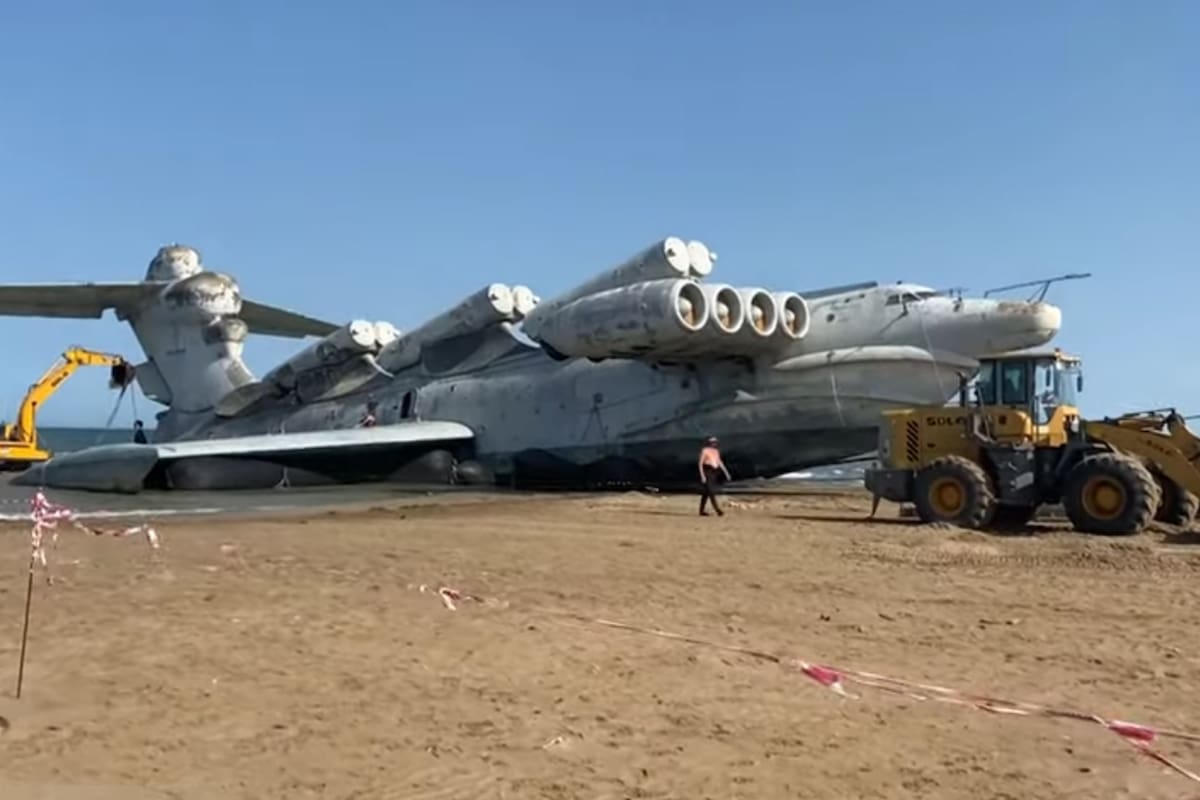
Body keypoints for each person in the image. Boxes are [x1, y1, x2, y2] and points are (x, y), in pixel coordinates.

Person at [697, 435, 730, 516]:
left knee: (706, 492)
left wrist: (726, 472)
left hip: (714, 471)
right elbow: (700, 463)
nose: (714, 444)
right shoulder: (705, 451)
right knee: (711, 491)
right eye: (712, 442)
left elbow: (719, 462)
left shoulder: (716, 451)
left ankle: (701, 511)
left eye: (715, 442)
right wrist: (702, 475)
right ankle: (717, 510)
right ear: (709, 443)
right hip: (707, 471)